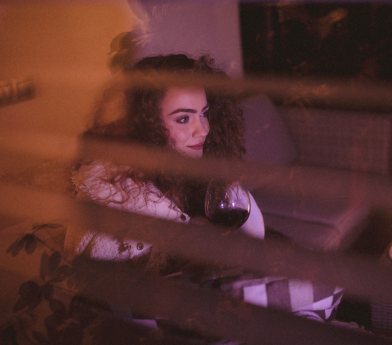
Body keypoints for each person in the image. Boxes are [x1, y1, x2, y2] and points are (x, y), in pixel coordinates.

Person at [66, 54, 343, 333]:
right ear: (142, 128)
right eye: (184, 119)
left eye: (205, 113)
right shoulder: (115, 200)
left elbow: (251, 231)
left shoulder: (181, 173)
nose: (204, 130)